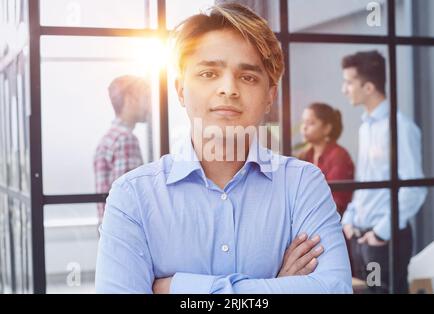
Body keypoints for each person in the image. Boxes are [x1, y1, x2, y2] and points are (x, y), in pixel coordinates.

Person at [95, 3, 351, 294]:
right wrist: (278, 287)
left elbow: (334, 289)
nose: (228, 88)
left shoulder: (303, 184)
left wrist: (178, 288)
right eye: (208, 74)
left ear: (270, 96)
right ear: (180, 89)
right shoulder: (133, 197)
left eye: (248, 77)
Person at [340, 50, 427, 293]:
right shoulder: (365, 127)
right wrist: (349, 219)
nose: (344, 89)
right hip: (361, 237)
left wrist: (380, 233)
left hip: (384, 239)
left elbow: (414, 189)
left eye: (348, 82)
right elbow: (366, 181)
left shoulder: (399, 127)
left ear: (368, 88)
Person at [93, 75, 151, 224]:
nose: (151, 105)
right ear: (131, 98)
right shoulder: (125, 140)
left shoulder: (109, 138)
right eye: (147, 97)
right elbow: (129, 201)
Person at [299, 102, 354, 216]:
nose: (304, 127)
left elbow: (337, 201)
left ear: (327, 128)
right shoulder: (304, 156)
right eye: (303, 122)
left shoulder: (339, 155)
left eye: (311, 123)